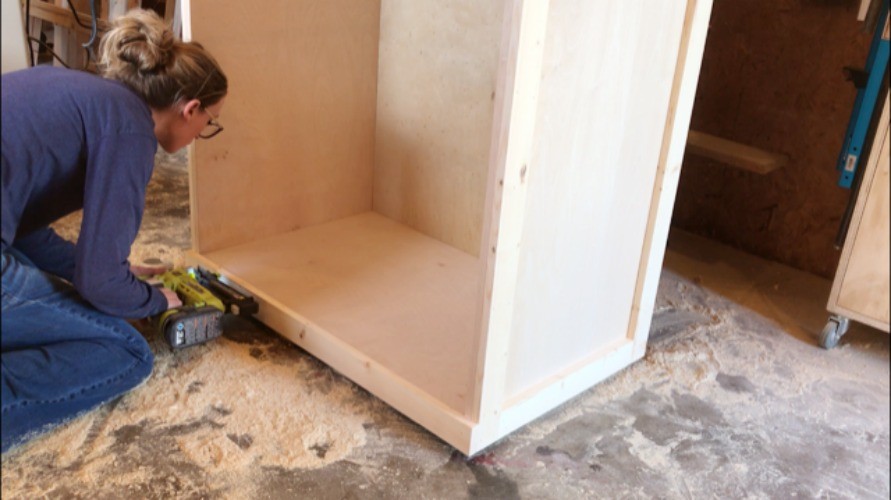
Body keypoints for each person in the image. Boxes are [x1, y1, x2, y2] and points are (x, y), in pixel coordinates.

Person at [1, 8, 227, 454]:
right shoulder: (130, 130)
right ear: (191, 109)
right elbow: (98, 281)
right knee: (124, 351)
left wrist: (125, 275)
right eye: (210, 123)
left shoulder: (89, 96)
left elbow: (23, 230)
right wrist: (152, 300)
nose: (205, 130)